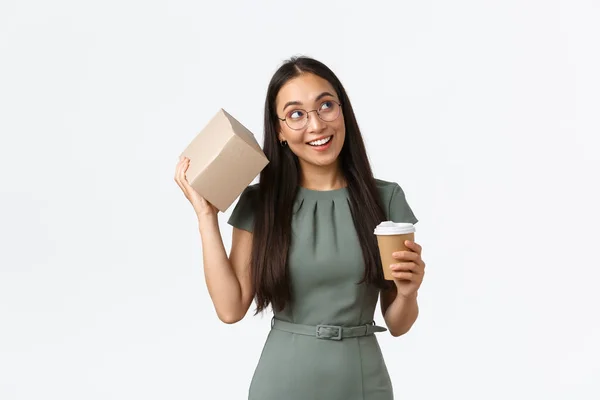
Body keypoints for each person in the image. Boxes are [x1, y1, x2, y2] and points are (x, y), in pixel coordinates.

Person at [174, 56, 426, 400]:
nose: (317, 125)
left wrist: (409, 292)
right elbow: (230, 308)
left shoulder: (386, 199)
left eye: (326, 106)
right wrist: (206, 217)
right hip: (282, 382)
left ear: (343, 111)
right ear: (279, 130)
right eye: (296, 114)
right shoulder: (260, 202)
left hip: (363, 382)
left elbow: (397, 323)